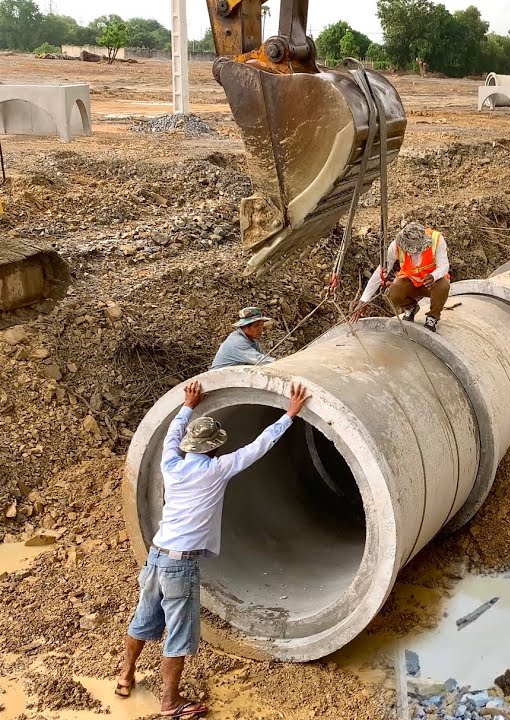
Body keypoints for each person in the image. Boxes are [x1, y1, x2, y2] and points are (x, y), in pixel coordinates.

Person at [116, 380, 310, 719]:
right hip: (180, 565)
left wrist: (188, 405)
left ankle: (125, 677)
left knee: (143, 618)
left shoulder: (172, 466)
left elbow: (172, 436)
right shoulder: (216, 471)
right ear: (213, 448)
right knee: (177, 634)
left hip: (157, 554)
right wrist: (289, 416)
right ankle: (170, 704)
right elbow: (258, 447)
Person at [356, 222, 451, 331]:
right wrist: (364, 300)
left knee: (443, 285)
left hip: (431, 283)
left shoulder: (436, 239)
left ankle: (432, 317)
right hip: (410, 282)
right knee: (392, 293)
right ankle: (410, 307)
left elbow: (444, 266)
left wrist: (434, 276)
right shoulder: (395, 247)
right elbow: (381, 272)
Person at [210, 307, 276, 370]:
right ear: (244, 327)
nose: (260, 329)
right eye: (256, 326)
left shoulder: (251, 340)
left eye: (261, 325)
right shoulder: (237, 342)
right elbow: (261, 361)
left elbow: (264, 357)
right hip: (218, 378)